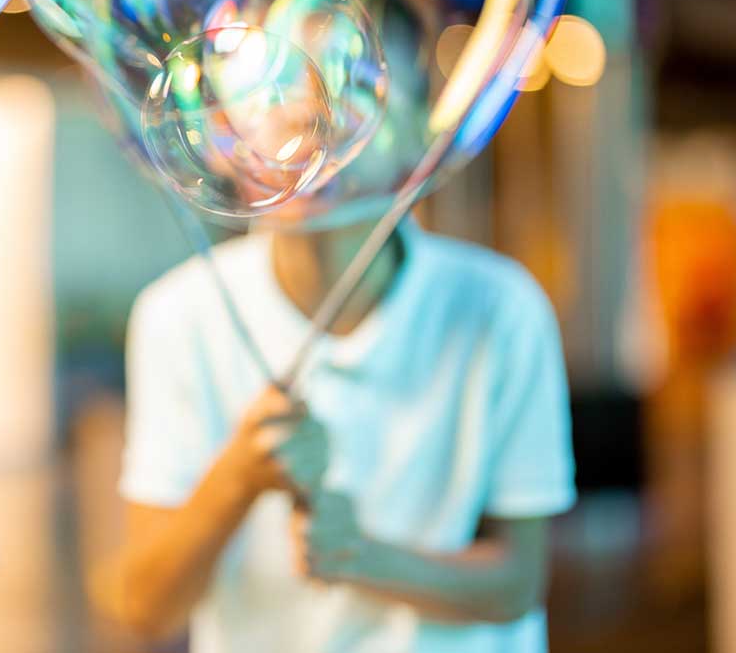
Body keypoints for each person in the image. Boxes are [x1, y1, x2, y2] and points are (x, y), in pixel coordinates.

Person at [94, 211, 576, 653]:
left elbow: (518, 584)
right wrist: (238, 477)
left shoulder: (501, 305)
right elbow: (146, 606)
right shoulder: (179, 312)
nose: (312, 121)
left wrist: (361, 558)